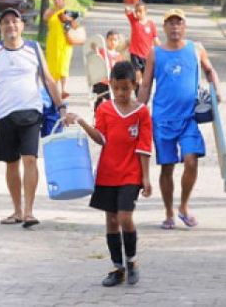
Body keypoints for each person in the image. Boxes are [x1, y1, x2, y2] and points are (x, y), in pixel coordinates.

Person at [0, 8, 66, 228]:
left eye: (15, 21)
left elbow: (48, 79)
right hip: (4, 114)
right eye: (6, 22)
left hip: (31, 111)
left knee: (30, 159)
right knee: (12, 163)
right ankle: (17, 210)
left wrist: (60, 106)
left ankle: (29, 212)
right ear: (0, 28)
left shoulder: (34, 49)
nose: (11, 26)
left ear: (22, 26)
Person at [65, 61, 152, 287]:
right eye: (117, 88)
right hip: (107, 172)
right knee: (111, 220)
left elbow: (144, 146)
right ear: (111, 85)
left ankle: (132, 260)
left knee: (125, 217)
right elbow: (101, 138)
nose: (121, 93)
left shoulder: (142, 113)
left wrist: (146, 177)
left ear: (134, 85)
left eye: (126, 88)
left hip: (131, 173)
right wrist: (82, 122)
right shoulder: (104, 108)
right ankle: (117, 267)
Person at [137, 8, 220, 230]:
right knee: (167, 167)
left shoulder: (196, 49)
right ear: (164, 27)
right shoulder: (155, 53)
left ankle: (184, 206)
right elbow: (145, 85)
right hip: (162, 119)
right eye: (170, 23)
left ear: (185, 26)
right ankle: (168, 212)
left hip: (188, 118)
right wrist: (137, 111)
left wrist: (216, 91)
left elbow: (210, 71)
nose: (175, 27)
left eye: (179, 23)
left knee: (191, 159)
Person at [45, 0, 75, 98]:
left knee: (63, 65)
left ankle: (63, 89)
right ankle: (54, 89)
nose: (57, 1)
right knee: (52, 66)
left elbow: (74, 24)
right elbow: (45, 19)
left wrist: (68, 20)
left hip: (64, 42)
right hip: (52, 42)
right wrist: (52, 11)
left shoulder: (67, 12)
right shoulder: (50, 11)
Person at [125, 2, 160, 90]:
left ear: (145, 11)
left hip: (146, 55)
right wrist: (128, 9)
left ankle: (143, 93)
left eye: (140, 11)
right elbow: (127, 11)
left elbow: (155, 39)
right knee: (137, 75)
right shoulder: (134, 21)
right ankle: (138, 93)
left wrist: (162, 50)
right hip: (135, 54)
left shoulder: (151, 24)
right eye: (136, 11)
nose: (138, 13)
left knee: (146, 78)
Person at [91, 30, 123, 110]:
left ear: (118, 42)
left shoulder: (119, 56)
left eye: (115, 40)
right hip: (101, 82)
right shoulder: (103, 51)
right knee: (99, 100)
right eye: (110, 39)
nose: (112, 42)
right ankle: (96, 115)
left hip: (112, 83)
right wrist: (96, 51)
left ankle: (111, 114)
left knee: (112, 100)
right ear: (106, 40)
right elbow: (96, 60)